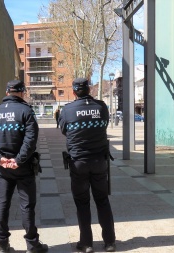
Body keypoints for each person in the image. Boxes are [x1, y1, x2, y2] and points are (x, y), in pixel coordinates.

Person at [0, 80, 48, 253]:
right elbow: (31, 140)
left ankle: (2, 245)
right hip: (23, 167)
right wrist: (18, 160)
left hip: (2, 168)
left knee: (2, 203)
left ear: (6, 92)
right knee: (27, 206)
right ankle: (33, 245)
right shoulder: (26, 111)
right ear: (22, 92)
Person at [59, 78, 116, 253]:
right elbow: (104, 125)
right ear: (89, 89)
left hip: (79, 163)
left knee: (82, 203)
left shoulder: (67, 110)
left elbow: (64, 130)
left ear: (74, 91)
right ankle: (109, 242)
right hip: (99, 161)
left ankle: (86, 243)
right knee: (102, 200)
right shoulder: (101, 107)